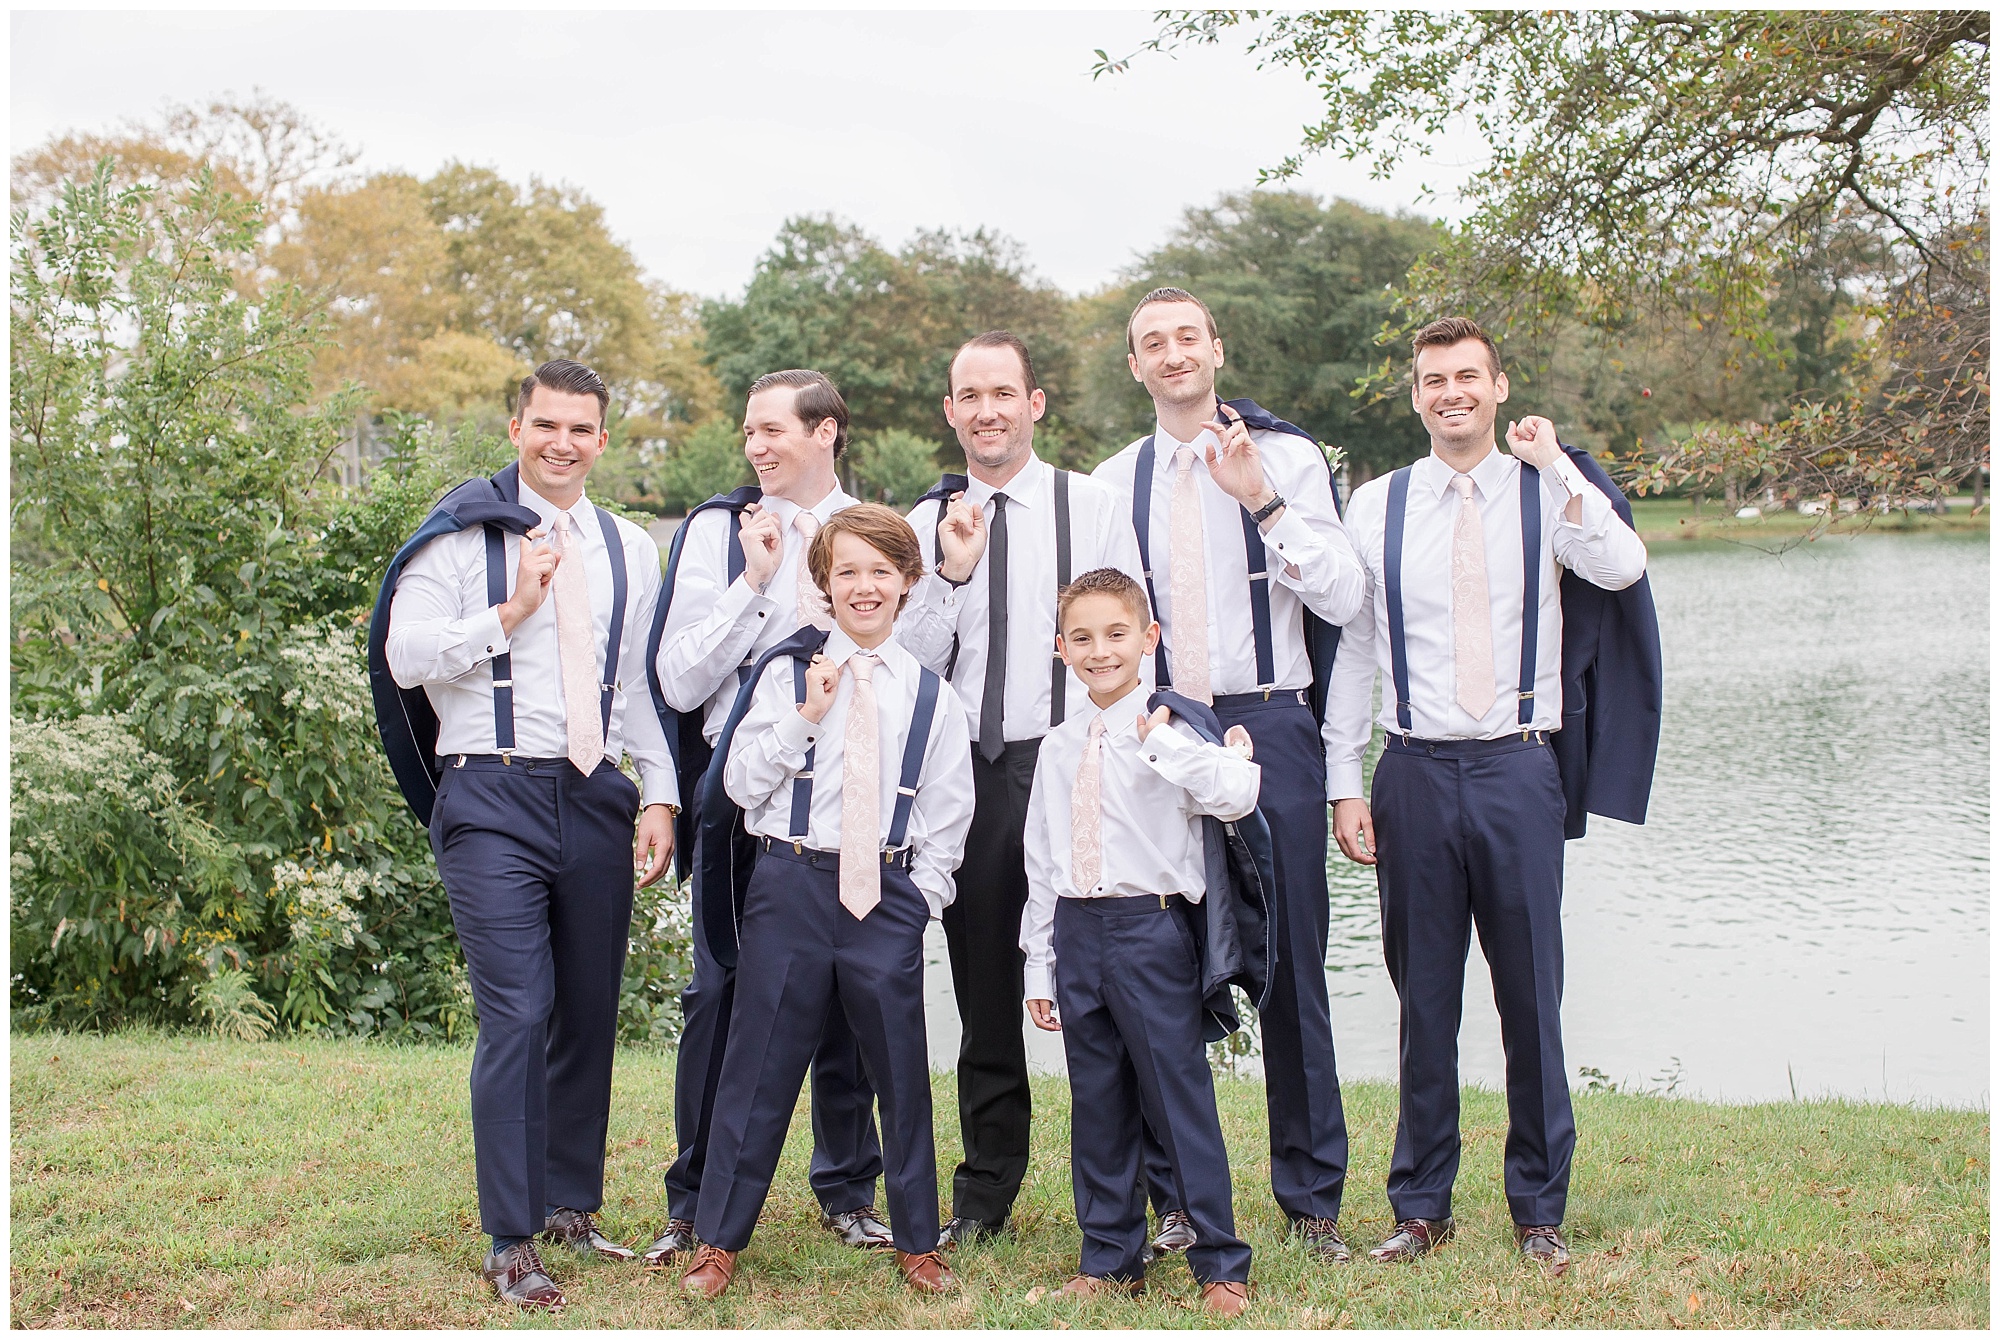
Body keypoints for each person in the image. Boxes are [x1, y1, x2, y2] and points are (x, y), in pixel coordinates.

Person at [1325, 316, 1650, 1275]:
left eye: (1468, 376)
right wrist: (1348, 784)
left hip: (1517, 768)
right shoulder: (1377, 504)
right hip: (1414, 771)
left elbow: (1623, 568)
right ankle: (1420, 1206)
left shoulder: (1546, 495)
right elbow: (1352, 652)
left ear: (1499, 388)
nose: (1451, 393)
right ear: (1416, 394)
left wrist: (1557, 468)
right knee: (1424, 1001)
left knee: (1530, 998)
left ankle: (1538, 1208)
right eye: (1434, 379)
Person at [384, 359, 680, 1309]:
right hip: (490, 796)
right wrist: (509, 613)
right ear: (516, 429)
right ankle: (511, 1237)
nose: (562, 443)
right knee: (517, 1012)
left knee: (588, 1009)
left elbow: (638, 687)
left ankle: (568, 1208)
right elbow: (403, 652)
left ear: (602, 439)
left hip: (594, 795)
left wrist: (659, 797)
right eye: (545, 425)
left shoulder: (631, 546)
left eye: (581, 429)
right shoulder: (463, 537)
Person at [1092, 288, 1367, 1260]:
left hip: (1272, 719)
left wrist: (1262, 500)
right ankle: (1175, 1198)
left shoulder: (1287, 459)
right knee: (1158, 969)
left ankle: (1312, 1200)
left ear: (1215, 347)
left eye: (1185, 337)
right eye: (1150, 343)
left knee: (1290, 968)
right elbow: (1101, 631)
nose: (1171, 354)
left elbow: (1343, 592)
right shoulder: (1110, 482)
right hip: (1161, 727)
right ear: (1134, 364)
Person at [678, 504, 976, 1300]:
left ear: (909, 584)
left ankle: (917, 1239)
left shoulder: (932, 697)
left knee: (900, 1070)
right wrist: (806, 717)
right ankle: (716, 1242)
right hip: (791, 883)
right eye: (848, 571)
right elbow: (737, 786)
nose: (865, 587)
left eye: (882, 571)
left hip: (886, 892)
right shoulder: (784, 674)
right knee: (758, 1065)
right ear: (824, 584)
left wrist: (922, 901)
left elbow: (949, 816)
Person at [895, 331, 1146, 1247]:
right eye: (972, 395)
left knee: (1109, 984)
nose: (989, 410)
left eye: (1006, 392)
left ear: (1036, 404)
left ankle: (1139, 1198)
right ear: (952, 412)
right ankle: (985, 1191)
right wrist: (950, 576)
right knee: (984, 988)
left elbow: (1130, 637)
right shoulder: (922, 525)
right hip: (974, 770)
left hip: (1079, 761)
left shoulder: (1095, 504)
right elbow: (908, 663)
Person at [643, 369, 890, 1261]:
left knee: (850, 989)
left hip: (848, 775)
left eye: (773, 431)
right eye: (749, 432)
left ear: (826, 431)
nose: (756, 447)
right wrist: (756, 582)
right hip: (736, 778)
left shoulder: (869, 532)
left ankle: (848, 1189)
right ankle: (694, 1195)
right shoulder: (717, 531)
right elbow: (675, 681)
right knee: (720, 988)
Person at [1020, 567, 1258, 1317]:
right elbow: (1040, 860)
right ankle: (1109, 1257)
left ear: (1148, 638)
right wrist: (1039, 963)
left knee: (1176, 1098)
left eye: (1116, 634)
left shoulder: (1175, 731)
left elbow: (1238, 793)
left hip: (1149, 929)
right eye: (1082, 638)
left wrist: (1161, 745)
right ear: (1061, 649)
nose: (1100, 651)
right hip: (1076, 929)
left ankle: (1220, 1261)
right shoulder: (1059, 745)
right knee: (1097, 1103)